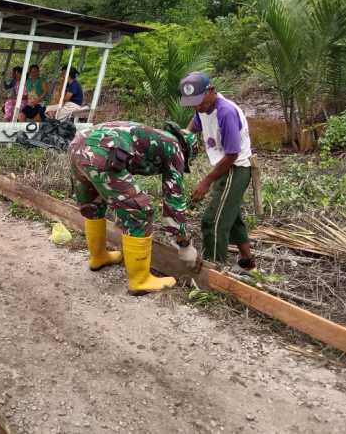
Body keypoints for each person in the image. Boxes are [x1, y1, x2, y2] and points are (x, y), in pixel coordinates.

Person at [69, 121, 199, 294]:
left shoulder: (155, 134)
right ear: (187, 149)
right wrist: (183, 244)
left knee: (94, 205)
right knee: (140, 212)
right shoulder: (175, 148)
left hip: (78, 144)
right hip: (102, 152)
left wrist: (121, 205)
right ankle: (140, 280)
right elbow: (174, 201)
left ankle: (98, 256)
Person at [180, 72, 255, 270]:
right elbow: (195, 125)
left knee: (213, 222)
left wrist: (206, 182)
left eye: (199, 101)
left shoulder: (226, 112)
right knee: (231, 214)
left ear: (211, 91)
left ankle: (213, 273)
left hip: (235, 168)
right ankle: (248, 262)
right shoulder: (203, 108)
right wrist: (183, 137)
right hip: (224, 167)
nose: (197, 107)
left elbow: (232, 154)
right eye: (193, 103)